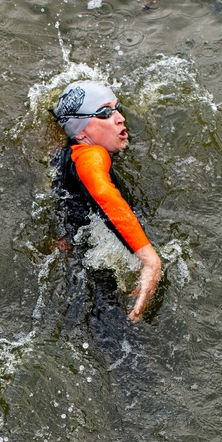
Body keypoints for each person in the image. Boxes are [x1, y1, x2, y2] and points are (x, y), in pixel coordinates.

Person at [51, 80, 162, 323]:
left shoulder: (66, 155)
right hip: (93, 264)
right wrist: (150, 260)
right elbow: (102, 192)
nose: (120, 118)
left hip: (74, 255)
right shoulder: (91, 155)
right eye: (104, 113)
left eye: (117, 108)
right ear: (81, 132)